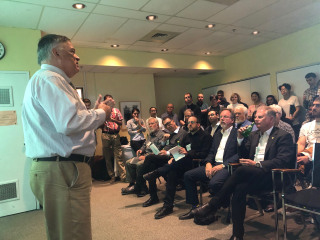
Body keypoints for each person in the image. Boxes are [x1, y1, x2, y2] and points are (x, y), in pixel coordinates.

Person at [22, 34, 114, 240]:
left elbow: (66, 123)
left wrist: (94, 114)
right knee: (74, 234)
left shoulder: (46, 80)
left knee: (63, 232)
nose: (77, 56)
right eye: (71, 51)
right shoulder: (51, 79)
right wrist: (102, 113)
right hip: (63, 169)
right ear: (55, 53)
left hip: (57, 168)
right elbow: (69, 123)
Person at [192, 106, 294, 240]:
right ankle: (237, 234)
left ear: (271, 119)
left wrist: (257, 164)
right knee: (239, 189)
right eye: (255, 116)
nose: (256, 119)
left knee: (241, 170)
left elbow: (283, 160)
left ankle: (213, 205)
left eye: (260, 117)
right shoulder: (253, 135)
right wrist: (240, 139)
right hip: (252, 176)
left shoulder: (283, 135)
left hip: (271, 176)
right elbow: (243, 155)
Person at [143, 116, 212, 219]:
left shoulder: (206, 136)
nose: (189, 124)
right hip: (182, 164)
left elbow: (204, 154)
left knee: (177, 164)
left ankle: (158, 172)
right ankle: (168, 206)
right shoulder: (187, 136)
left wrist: (188, 153)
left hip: (197, 164)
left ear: (198, 124)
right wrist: (174, 157)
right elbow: (179, 151)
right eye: (188, 122)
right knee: (172, 172)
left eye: (192, 122)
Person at [179, 109, 239, 221]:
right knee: (188, 175)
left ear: (232, 119)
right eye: (221, 117)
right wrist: (208, 163)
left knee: (214, 183)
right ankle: (195, 207)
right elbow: (211, 152)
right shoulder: (217, 134)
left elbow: (239, 154)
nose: (222, 119)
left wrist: (223, 165)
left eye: (225, 117)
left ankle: (220, 206)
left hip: (228, 166)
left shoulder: (237, 133)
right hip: (214, 164)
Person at [138, 117, 188, 207]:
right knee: (151, 166)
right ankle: (153, 196)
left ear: (173, 121)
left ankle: (139, 182)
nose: (168, 126)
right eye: (165, 125)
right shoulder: (168, 134)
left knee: (149, 158)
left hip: (174, 158)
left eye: (169, 123)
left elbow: (183, 150)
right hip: (164, 157)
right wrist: (164, 142)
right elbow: (159, 149)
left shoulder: (183, 133)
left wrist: (168, 153)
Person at [122, 117, 164, 196]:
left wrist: (146, 157)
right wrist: (140, 150)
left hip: (153, 158)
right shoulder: (150, 135)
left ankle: (143, 188)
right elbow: (144, 145)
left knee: (139, 164)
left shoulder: (161, 135)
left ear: (157, 125)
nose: (150, 125)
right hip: (145, 155)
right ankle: (133, 185)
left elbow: (158, 151)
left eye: (152, 123)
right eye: (149, 124)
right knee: (128, 163)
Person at [101, 94, 125, 184]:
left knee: (119, 156)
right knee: (107, 157)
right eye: (108, 101)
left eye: (111, 100)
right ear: (105, 102)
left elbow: (120, 123)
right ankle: (112, 176)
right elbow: (98, 125)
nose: (110, 102)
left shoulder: (116, 110)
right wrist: (104, 121)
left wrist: (112, 120)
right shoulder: (102, 111)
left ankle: (123, 176)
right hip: (105, 135)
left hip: (115, 135)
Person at [297, 97, 320, 182]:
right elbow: (301, 144)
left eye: (318, 105)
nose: (314, 108)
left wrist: (310, 157)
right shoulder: (306, 126)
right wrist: (297, 156)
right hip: (307, 154)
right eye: (313, 105)